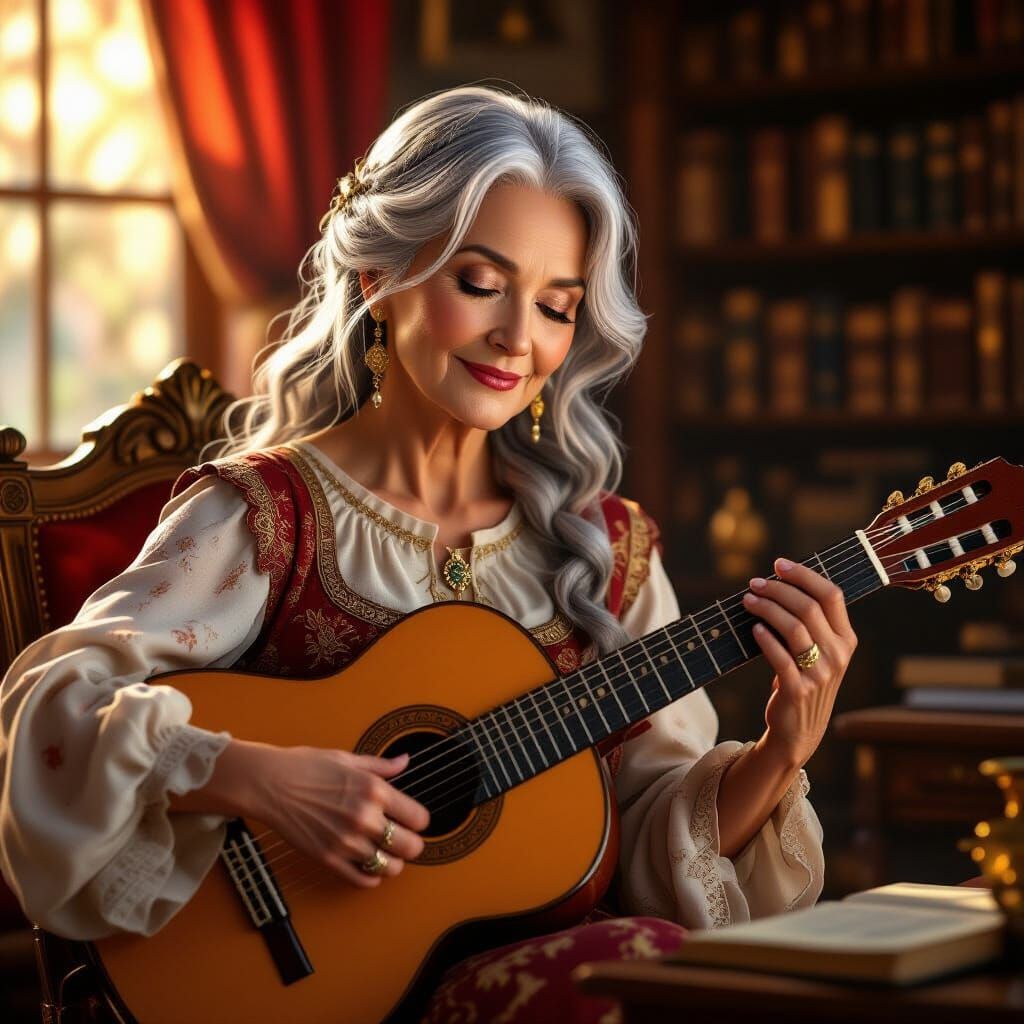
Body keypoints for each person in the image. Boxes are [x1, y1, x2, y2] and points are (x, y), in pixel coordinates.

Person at [0, 84, 857, 1022]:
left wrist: (780, 751)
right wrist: (261, 778)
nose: (518, 339)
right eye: (481, 284)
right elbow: (53, 710)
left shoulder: (608, 548)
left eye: (558, 307)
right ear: (379, 276)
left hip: (545, 983)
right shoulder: (266, 516)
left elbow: (654, 853)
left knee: (652, 972)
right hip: (292, 990)